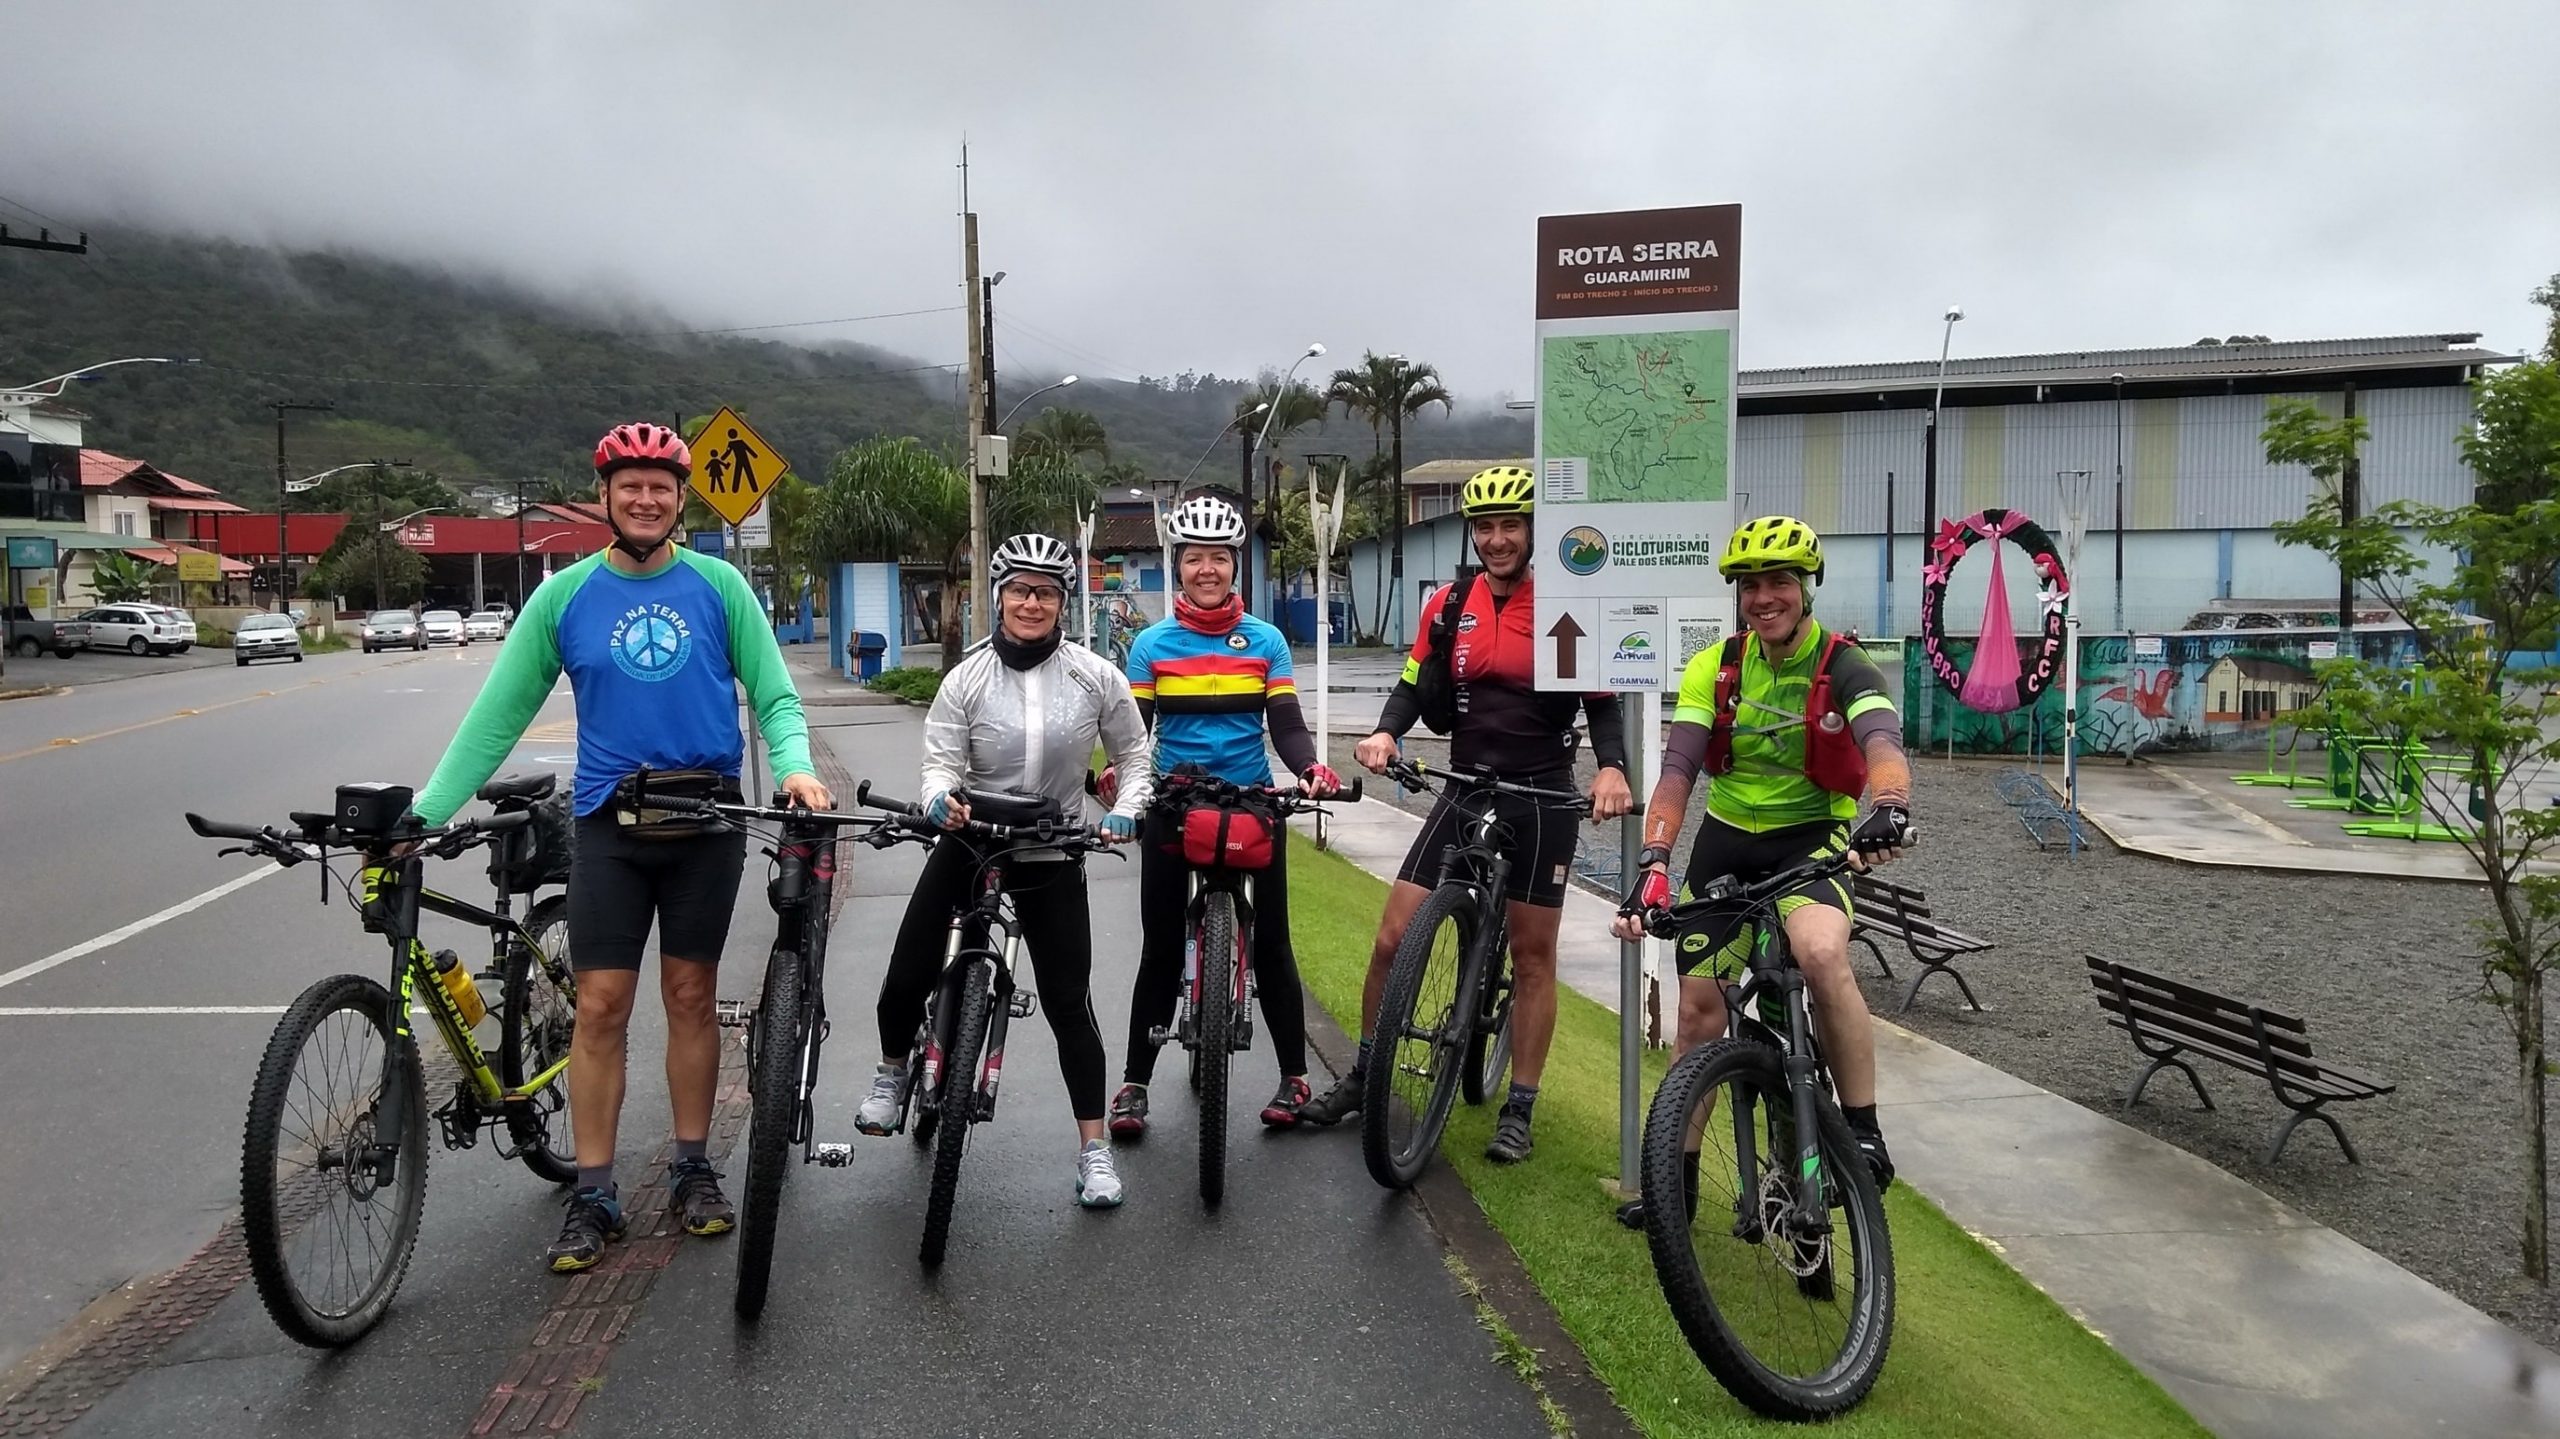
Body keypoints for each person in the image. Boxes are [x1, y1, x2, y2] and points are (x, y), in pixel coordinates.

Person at [409, 422, 832, 1273]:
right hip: (609, 825)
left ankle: (690, 1166)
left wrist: (795, 770)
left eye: (662, 487)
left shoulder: (718, 587)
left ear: (682, 499)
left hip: (702, 822)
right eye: (630, 485)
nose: (646, 499)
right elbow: (497, 717)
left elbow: (777, 698)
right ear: (603, 496)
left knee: (689, 993)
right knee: (600, 1004)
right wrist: (426, 811)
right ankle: (594, 1190)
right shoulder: (564, 597)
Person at [1302, 465, 1635, 1163]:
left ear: (1532, 530)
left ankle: (1520, 1105)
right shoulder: (1452, 604)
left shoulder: (1562, 607)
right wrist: (1387, 731)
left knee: (1533, 954)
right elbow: (1413, 682)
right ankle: (1366, 1072)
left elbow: (1600, 703)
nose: (1497, 538)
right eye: (1485, 526)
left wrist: (1611, 767)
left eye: (1510, 524)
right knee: (1394, 935)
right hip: (1466, 784)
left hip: (1541, 791)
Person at [1610, 515, 1913, 1213]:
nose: (1764, 596)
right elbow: (1680, 766)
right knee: (1696, 1014)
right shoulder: (1713, 667)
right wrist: (1656, 858)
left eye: (1780, 581)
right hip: (1726, 843)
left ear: (1806, 588)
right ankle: (1673, 1191)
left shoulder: (1843, 663)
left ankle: (1864, 1132)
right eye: (1751, 585)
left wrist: (1890, 804)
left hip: (1811, 842)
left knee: (1819, 953)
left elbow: (1881, 738)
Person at [852, 534, 1154, 1207]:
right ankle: (892, 1071)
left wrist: (1127, 810)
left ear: (1063, 602)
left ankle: (1094, 1150)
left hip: (1053, 847)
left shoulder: (1095, 674)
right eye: (1020, 589)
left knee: (1070, 1002)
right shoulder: (967, 676)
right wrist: (937, 798)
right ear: (999, 597)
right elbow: (939, 759)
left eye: (1046, 591)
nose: (1032, 601)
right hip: (971, 839)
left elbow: (1135, 755)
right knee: (904, 974)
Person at [1100, 495, 1341, 1137]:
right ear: (1179, 565)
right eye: (1195, 558)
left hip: (1253, 802)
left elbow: (1285, 724)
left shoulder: (1266, 642)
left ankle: (1294, 1077)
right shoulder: (1150, 646)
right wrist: (1117, 777)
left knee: (1273, 944)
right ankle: (1133, 1084)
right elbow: (1135, 732)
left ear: (1236, 566)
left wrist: (1310, 767)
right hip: (1174, 802)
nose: (1207, 570)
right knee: (1158, 945)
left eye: (1220, 559)